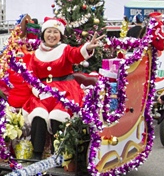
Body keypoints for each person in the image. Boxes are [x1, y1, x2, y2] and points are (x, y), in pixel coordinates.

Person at [22, 17, 104, 160]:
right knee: (38, 115)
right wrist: (38, 90)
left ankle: (59, 154)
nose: (52, 35)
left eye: (55, 32)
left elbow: (76, 54)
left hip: (65, 91)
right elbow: (30, 76)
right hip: (43, 92)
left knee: (57, 117)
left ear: (60, 35)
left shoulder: (64, 49)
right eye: (49, 31)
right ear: (43, 34)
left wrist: (87, 48)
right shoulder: (35, 54)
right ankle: (37, 153)